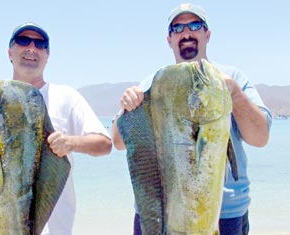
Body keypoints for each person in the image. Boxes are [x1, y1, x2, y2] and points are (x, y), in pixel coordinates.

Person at [111, 3, 272, 235]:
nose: (186, 33)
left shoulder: (231, 78)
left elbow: (260, 137)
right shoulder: (154, 84)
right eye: (178, 28)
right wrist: (127, 107)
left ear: (207, 34)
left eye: (194, 25)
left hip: (226, 215)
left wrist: (235, 94)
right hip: (160, 215)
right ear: (169, 39)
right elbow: (118, 142)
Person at [8, 22, 112, 235]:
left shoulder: (66, 96)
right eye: (23, 41)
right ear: (10, 52)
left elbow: (104, 144)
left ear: (47, 55)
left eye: (40, 44)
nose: (31, 48)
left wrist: (70, 142)